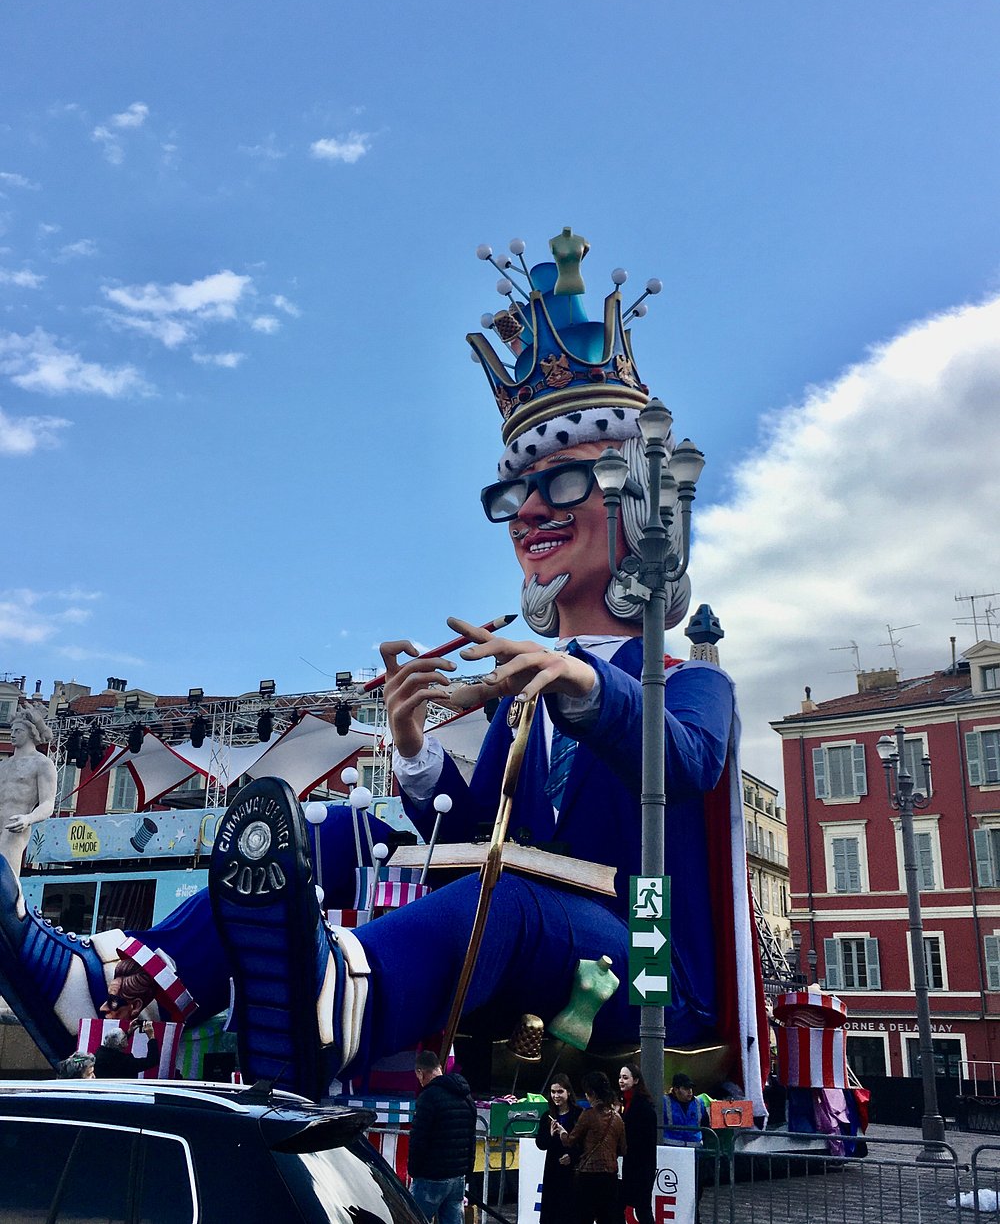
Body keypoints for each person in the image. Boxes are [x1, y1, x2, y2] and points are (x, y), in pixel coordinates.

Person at [0, 231, 764, 1110]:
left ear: (637, 497)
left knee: (506, 901)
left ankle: (341, 1002)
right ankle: (114, 985)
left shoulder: (684, 680)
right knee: (331, 830)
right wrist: (412, 751)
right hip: (545, 933)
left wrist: (582, 682)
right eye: (512, 494)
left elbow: (688, 759)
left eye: (560, 485)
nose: (528, 516)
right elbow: (480, 829)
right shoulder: (527, 700)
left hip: (646, 953)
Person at [408, 1049, 476, 1224]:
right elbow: (471, 1137)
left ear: (420, 1072)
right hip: (458, 1176)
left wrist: (414, 1170)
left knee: (413, 1218)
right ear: (439, 1068)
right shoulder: (465, 1095)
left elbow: (418, 1139)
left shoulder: (428, 1097)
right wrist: (467, 1171)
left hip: (431, 1176)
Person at [0, 709, 56, 914]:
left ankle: (16, 913)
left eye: (18, 730)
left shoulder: (42, 763)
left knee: (6, 878)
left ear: (31, 733)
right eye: (12, 730)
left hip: (15, 824)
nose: (12, 734)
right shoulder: (3, 765)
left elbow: (48, 803)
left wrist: (28, 818)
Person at [557, 1070, 625, 1224]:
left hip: (588, 1176)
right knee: (607, 1218)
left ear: (592, 1093)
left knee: (583, 1217)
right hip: (610, 1176)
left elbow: (570, 1141)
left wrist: (561, 1132)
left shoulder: (588, 1115)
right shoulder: (618, 1118)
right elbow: (623, 1149)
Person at [535, 1072, 582, 1224]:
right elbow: (541, 1144)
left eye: (560, 1091)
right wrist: (549, 1134)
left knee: (569, 1212)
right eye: (553, 1092)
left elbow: (585, 1144)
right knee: (551, 1212)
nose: (556, 1096)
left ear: (568, 1092)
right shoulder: (547, 1116)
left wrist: (572, 1156)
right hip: (552, 1170)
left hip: (572, 1172)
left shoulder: (578, 1114)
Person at [618, 1063, 656, 1224]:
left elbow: (641, 1138)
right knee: (632, 1207)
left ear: (636, 1080)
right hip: (633, 1164)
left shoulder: (642, 1106)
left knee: (642, 1209)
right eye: (620, 1077)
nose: (621, 1081)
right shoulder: (627, 1103)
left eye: (625, 1077)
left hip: (641, 1166)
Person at [93, 1020, 159, 1079]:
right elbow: (152, 1061)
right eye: (124, 1037)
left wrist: (129, 1032)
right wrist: (151, 1037)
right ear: (120, 1043)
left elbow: (117, 1044)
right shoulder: (126, 1062)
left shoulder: (99, 1053)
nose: (126, 1038)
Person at [662, 1072, 704, 1146]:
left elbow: (705, 1125)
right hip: (671, 1149)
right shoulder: (665, 1102)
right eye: (686, 1088)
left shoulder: (699, 1103)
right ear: (676, 1089)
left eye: (690, 1088)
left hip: (694, 1150)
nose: (690, 1091)